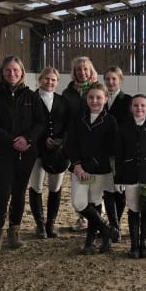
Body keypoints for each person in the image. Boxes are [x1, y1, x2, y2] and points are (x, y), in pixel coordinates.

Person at [0, 56, 46, 256]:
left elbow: (40, 122)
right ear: (2, 72)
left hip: (26, 153)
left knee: (19, 193)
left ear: (22, 72)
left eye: (16, 70)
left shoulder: (31, 97)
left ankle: (14, 231)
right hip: (2, 153)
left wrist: (27, 139)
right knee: (2, 192)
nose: (12, 74)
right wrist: (12, 141)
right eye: (8, 70)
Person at [65, 83, 118, 255]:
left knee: (95, 202)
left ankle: (90, 239)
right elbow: (70, 143)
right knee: (79, 203)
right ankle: (106, 228)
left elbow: (109, 148)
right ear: (86, 99)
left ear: (105, 99)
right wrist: (77, 165)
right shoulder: (78, 119)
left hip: (99, 170)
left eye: (98, 97)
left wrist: (89, 167)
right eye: (91, 97)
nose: (94, 101)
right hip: (79, 169)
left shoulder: (110, 121)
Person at [113, 94, 146, 259]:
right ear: (131, 108)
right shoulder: (123, 127)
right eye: (136, 105)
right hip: (129, 176)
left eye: (143, 105)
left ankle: (145, 243)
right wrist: (118, 178)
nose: (139, 108)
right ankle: (134, 245)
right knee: (134, 210)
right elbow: (119, 155)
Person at [27, 67, 69, 240]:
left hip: (57, 151)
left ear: (57, 82)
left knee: (55, 187)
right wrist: (42, 139)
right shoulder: (31, 99)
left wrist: (60, 141)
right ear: (40, 79)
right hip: (36, 150)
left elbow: (68, 125)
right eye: (46, 79)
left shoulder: (62, 101)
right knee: (36, 186)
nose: (49, 82)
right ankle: (39, 224)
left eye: (53, 80)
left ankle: (51, 223)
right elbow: (27, 124)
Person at [61, 56, 98, 232]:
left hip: (93, 142)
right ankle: (83, 217)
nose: (82, 72)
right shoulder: (67, 93)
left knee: (93, 185)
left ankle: (95, 219)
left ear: (91, 71)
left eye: (85, 69)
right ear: (74, 72)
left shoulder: (97, 89)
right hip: (74, 142)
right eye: (78, 69)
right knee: (79, 184)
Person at [102, 66, 133, 243]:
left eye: (114, 79)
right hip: (103, 151)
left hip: (121, 152)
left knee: (120, 189)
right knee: (108, 189)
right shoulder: (99, 98)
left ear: (120, 80)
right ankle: (113, 225)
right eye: (107, 79)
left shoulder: (128, 100)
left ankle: (116, 223)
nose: (110, 82)